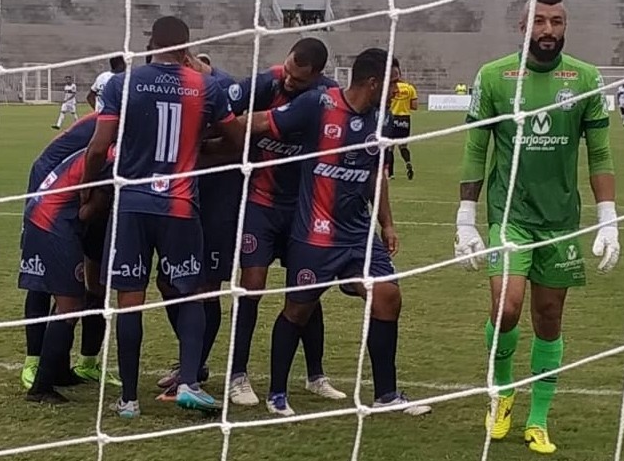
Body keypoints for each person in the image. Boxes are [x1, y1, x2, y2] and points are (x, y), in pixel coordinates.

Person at [454, 0, 620, 454]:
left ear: (565, 26)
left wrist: (608, 218)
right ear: (523, 26)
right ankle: (502, 391)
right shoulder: (493, 77)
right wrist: (466, 217)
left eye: (557, 22)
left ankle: (539, 419)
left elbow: (601, 153)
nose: (548, 30)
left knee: (548, 318)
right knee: (507, 307)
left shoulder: (586, 78)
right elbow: (475, 149)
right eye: (540, 21)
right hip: (510, 217)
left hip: (561, 221)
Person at [241, 48, 430, 417]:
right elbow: (261, 124)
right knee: (297, 310)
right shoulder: (318, 104)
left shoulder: (381, 121)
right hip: (315, 233)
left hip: (358, 234)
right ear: (373, 82)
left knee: (388, 297)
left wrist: (387, 223)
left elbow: (377, 175)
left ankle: (386, 395)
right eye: (392, 83)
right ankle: (277, 393)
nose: (398, 88)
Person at [82, 16, 244, 418]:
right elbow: (238, 138)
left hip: (132, 206)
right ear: (186, 48)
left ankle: (129, 400)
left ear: (152, 44)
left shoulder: (124, 83)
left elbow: (99, 147)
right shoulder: (205, 87)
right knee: (188, 294)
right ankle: (188, 381)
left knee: (129, 302)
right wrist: (200, 149)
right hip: (180, 205)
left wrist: (87, 190)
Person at [226, 38, 347, 407]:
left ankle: (315, 375)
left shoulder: (328, 97)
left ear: (318, 76)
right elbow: (222, 112)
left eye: (298, 80)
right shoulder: (265, 84)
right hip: (260, 205)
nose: (289, 81)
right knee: (252, 286)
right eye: (288, 72)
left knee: (306, 288)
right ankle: (237, 374)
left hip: (302, 209)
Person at [156, 52, 240, 401]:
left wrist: (194, 153)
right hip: (185, 202)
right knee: (167, 280)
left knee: (205, 287)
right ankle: (192, 362)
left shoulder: (222, 89)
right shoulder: (184, 91)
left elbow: (239, 144)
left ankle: (193, 370)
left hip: (218, 204)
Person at [21, 113, 118, 389]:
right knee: (54, 291)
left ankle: (69, 367)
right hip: (53, 211)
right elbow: (88, 208)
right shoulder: (109, 145)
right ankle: (38, 370)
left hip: (63, 205)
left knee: (88, 286)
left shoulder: (111, 146)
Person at [384, 62, 418, 180]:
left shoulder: (390, 88)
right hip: (405, 119)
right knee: (403, 146)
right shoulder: (409, 88)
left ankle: (391, 174)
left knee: (390, 148)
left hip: (392, 117)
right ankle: (408, 163)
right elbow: (414, 106)